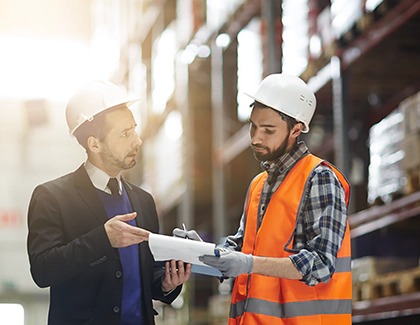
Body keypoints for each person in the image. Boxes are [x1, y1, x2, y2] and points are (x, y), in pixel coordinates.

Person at [27, 80, 191, 325]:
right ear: (95, 144)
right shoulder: (52, 197)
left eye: (134, 129)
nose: (137, 141)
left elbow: (146, 276)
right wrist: (102, 239)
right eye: (125, 134)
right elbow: (43, 270)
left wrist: (166, 283)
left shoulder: (143, 201)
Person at [197, 74, 352, 324]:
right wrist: (198, 252)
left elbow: (321, 264)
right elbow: (242, 250)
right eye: (253, 126)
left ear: (296, 129)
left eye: (268, 130)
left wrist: (249, 264)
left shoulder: (320, 179)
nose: (256, 138)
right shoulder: (258, 185)